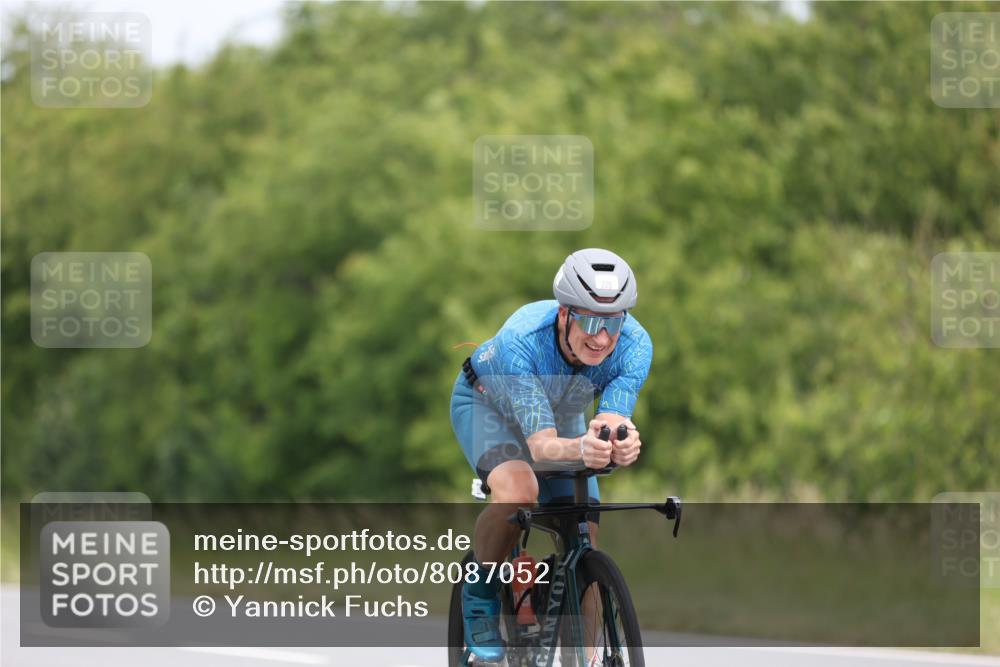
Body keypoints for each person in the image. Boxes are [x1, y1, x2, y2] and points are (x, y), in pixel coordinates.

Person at [450, 248, 653, 662]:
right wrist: (583, 448)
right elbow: (541, 448)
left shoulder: (634, 346)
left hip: (560, 412)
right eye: (590, 321)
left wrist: (622, 441)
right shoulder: (522, 340)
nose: (601, 338)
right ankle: (481, 591)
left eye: (613, 323)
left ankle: (584, 654)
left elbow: (609, 419)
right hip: (489, 405)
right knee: (519, 491)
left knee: (584, 528)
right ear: (564, 314)